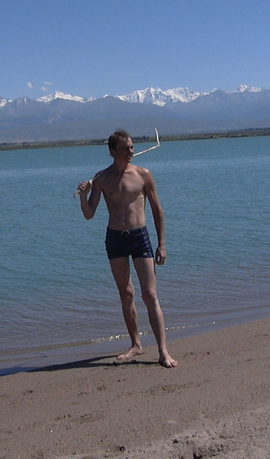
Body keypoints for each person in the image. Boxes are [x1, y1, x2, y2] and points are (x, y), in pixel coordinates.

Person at [77, 129, 178, 368]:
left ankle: (163, 351)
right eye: (125, 148)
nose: (130, 151)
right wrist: (84, 196)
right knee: (126, 294)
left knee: (150, 294)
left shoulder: (143, 175)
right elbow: (90, 214)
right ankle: (136, 344)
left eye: (132, 147)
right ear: (112, 151)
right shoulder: (101, 179)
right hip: (115, 239)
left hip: (139, 237)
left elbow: (157, 210)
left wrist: (162, 243)